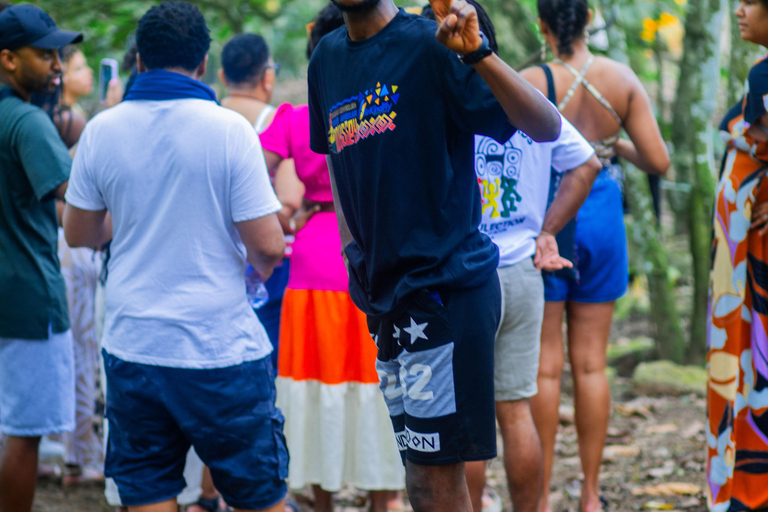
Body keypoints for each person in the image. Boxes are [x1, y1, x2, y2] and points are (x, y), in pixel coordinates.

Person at [308, 0, 560, 510]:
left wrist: (481, 54)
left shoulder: (430, 43)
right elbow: (336, 159)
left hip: (447, 289)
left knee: (437, 478)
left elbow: (546, 126)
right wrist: (351, 248)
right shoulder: (326, 59)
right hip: (386, 298)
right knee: (422, 478)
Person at [62, 3, 288, 511]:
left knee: (148, 492)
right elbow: (269, 245)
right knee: (259, 495)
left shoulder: (102, 129)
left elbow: (80, 233)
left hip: (134, 345)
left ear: (139, 60)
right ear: (204, 63)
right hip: (219, 348)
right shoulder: (228, 130)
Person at [419, 3, 601, 512]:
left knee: (464, 421)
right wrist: (547, 230)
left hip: (463, 274)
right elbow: (585, 164)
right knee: (514, 411)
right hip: (521, 271)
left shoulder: (437, 104)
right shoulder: (526, 102)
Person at [520, 1, 670, 511]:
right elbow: (659, 160)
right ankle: (589, 495)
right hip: (602, 210)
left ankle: (537, 498)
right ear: (588, 20)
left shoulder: (529, 79)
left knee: (544, 368)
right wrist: (613, 146)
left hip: (548, 214)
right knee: (591, 364)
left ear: (542, 25)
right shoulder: (619, 78)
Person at [262, 5, 404, 512]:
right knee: (377, 373)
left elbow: (254, 169)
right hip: (375, 249)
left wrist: (286, 212)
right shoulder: (380, 106)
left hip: (316, 254)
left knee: (315, 380)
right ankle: (384, 496)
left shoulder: (293, 119)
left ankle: (320, 499)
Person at [0, 5, 82, 512]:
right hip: (28, 294)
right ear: (8, 59)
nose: (57, 63)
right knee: (23, 431)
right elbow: (74, 195)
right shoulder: (27, 121)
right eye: (45, 53)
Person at [708, 1, 768, 510]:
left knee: (757, 363)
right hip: (747, 256)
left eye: (750, 2)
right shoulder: (759, 74)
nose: (740, 11)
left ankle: (752, 487)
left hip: (760, 259)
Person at [219, 32, 303, 371]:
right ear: (268, 76)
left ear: (223, 76)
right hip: (274, 263)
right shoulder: (279, 121)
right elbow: (290, 201)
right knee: (267, 359)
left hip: (221, 254)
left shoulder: (208, 116)